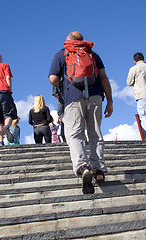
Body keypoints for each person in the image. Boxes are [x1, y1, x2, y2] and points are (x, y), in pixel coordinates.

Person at [49, 31, 113, 194]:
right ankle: (98, 171)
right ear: (82, 41)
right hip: (96, 96)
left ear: (68, 41)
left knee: (75, 134)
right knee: (95, 133)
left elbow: (52, 78)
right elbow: (104, 77)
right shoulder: (92, 54)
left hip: (73, 97)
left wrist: (63, 87)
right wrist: (110, 101)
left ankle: (83, 168)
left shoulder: (61, 54)